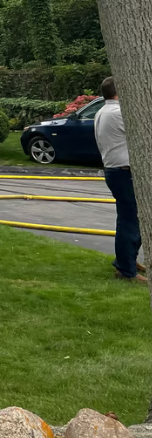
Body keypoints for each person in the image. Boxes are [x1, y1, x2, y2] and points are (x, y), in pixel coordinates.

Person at [94, 77, 146, 283]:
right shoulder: (118, 113)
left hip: (117, 171)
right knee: (130, 220)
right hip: (123, 172)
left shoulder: (103, 111)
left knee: (131, 218)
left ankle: (127, 260)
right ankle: (126, 270)